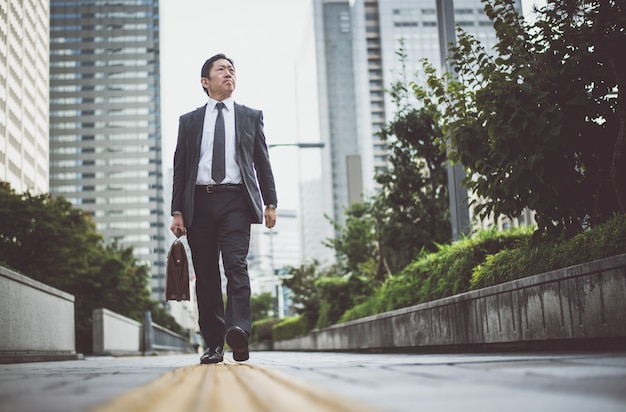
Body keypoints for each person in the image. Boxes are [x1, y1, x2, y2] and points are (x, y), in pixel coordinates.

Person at [170, 53, 277, 364]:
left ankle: (239, 330)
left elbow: (262, 162)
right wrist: (178, 211)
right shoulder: (189, 121)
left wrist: (270, 202)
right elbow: (181, 168)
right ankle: (214, 344)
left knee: (236, 266)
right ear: (205, 82)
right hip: (198, 203)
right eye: (221, 70)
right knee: (205, 275)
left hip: (236, 202)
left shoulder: (250, 116)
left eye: (232, 69)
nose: (229, 73)